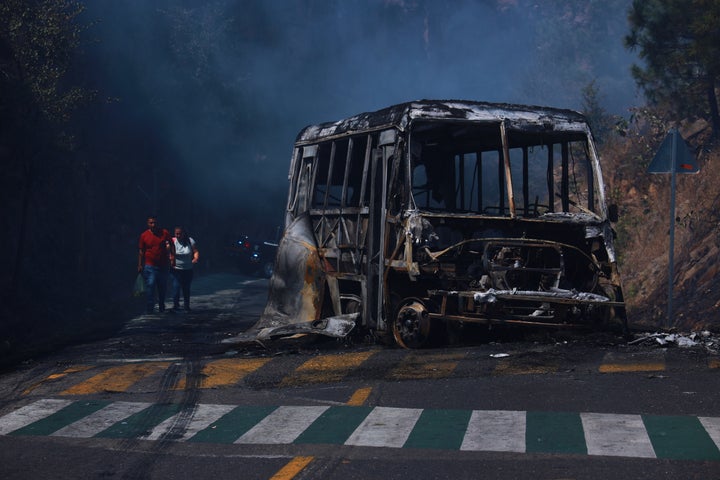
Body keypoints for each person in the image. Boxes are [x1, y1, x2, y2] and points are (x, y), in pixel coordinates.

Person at [138, 215, 174, 314]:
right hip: (150, 265)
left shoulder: (164, 232)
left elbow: (171, 244)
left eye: (155, 223)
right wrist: (140, 264)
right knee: (151, 285)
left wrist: (172, 257)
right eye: (151, 223)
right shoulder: (144, 235)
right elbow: (141, 251)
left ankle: (161, 305)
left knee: (162, 286)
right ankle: (150, 307)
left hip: (163, 265)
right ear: (148, 224)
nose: (153, 225)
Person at [171, 226, 199, 311]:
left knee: (186, 288)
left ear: (183, 233)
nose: (178, 235)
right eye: (176, 234)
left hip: (188, 269)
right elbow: (167, 252)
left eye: (180, 233)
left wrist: (195, 258)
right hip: (176, 270)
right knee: (176, 288)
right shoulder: (172, 241)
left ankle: (186, 306)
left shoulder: (190, 241)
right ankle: (176, 306)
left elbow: (196, 251)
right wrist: (170, 258)